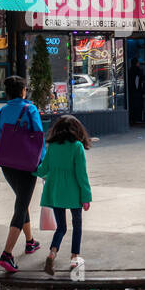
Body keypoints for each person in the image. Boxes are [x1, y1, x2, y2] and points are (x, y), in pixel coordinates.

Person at [0, 76, 43, 265]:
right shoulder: (30, 109)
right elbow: (38, 138)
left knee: (22, 201)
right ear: (23, 91)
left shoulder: (1, 113)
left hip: (8, 166)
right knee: (21, 205)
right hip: (28, 165)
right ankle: (7, 254)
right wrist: (43, 164)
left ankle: (30, 242)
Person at [33, 114, 92, 276]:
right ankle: (74, 258)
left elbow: (43, 169)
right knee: (77, 225)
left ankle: (52, 253)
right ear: (77, 130)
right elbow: (82, 175)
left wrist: (31, 170)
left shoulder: (52, 147)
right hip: (73, 193)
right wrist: (86, 197)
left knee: (61, 227)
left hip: (55, 192)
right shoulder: (77, 147)